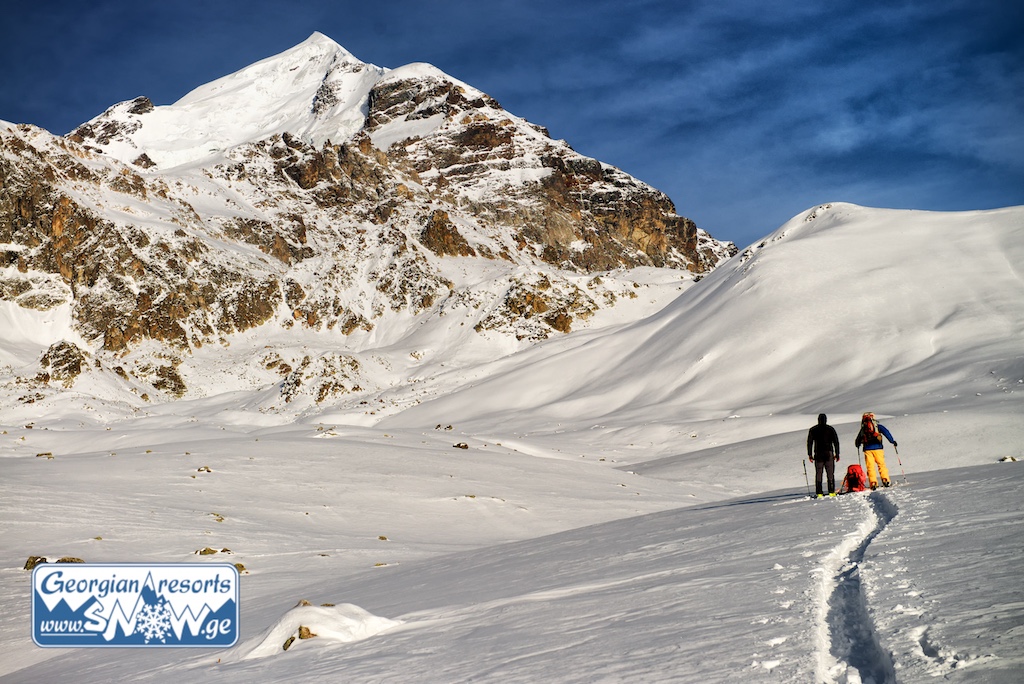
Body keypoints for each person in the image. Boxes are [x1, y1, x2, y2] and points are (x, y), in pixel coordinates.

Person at [854, 412, 897, 490]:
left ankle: (873, 483)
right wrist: (892, 441)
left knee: (870, 467)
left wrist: (858, 444)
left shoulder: (863, 428)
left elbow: (858, 440)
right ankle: (885, 480)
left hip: (867, 449)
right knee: (881, 465)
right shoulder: (877, 426)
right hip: (878, 448)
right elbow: (886, 432)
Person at [807, 413, 840, 498]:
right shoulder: (830, 429)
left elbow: (809, 443)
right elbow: (836, 442)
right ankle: (831, 491)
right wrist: (837, 453)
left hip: (818, 454)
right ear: (826, 420)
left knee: (818, 473)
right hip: (829, 453)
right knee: (830, 472)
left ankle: (819, 492)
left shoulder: (813, 430)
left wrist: (810, 454)